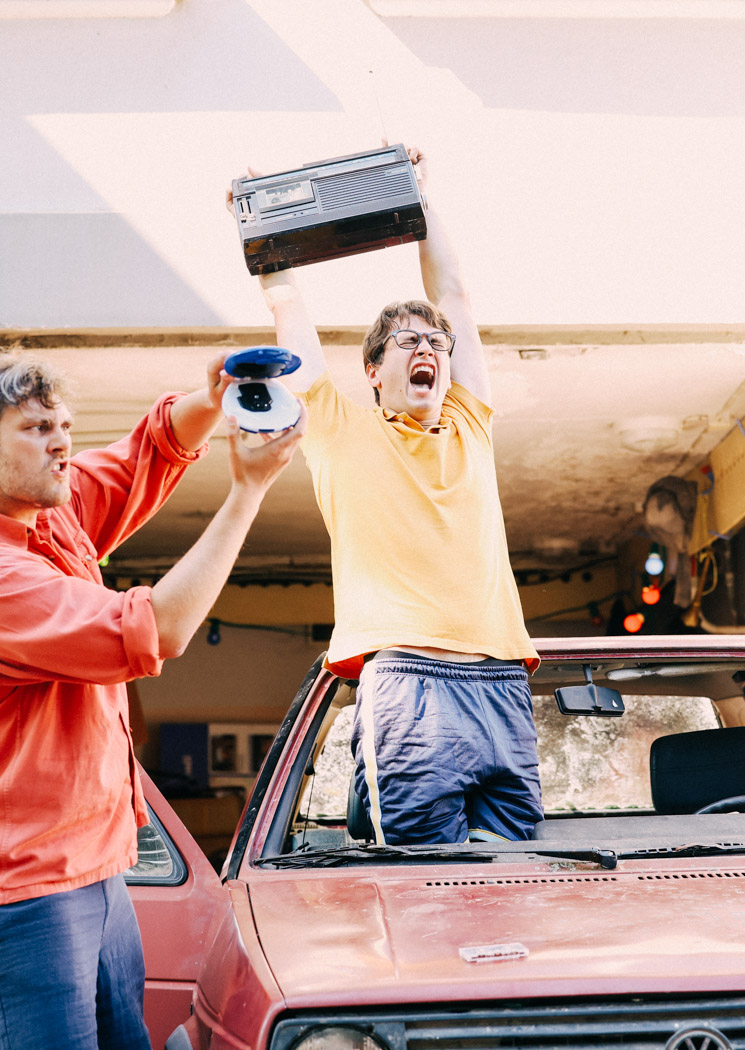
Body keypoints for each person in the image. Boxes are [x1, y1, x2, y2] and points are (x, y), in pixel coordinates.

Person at [0, 354, 303, 1050]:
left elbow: (148, 451)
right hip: (20, 888)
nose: (62, 443)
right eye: (37, 429)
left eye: (64, 425)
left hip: (94, 870)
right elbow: (160, 628)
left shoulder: (49, 509)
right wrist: (247, 491)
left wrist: (214, 395)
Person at [257, 146, 541, 846]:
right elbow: (289, 313)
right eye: (408, 342)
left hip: (501, 678)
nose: (428, 350)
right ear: (373, 369)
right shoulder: (338, 428)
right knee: (423, 882)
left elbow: (456, 297)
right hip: (410, 684)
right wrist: (265, 234)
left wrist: (418, 197)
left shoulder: (469, 422)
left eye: (436, 344)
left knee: (517, 882)